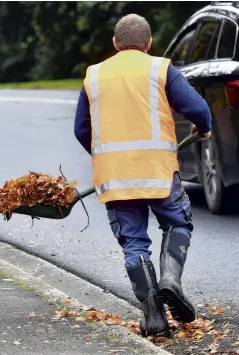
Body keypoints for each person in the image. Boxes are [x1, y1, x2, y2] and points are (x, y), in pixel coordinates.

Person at [74, 14, 212, 338]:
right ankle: (171, 281)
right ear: (148, 43)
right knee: (177, 223)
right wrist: (202, 129)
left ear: (115, 43)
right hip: (158, 173)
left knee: (134, 243)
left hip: (116, 179)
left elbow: (82, 129)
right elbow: (200, 111)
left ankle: (154, 318)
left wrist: (107, 157)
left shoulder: (93, 76)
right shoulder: (160, 69)